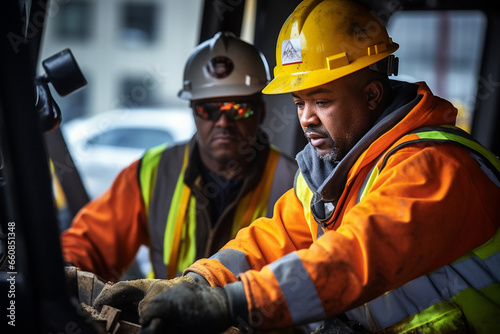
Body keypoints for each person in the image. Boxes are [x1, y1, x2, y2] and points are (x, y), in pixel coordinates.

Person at [93, 1, 500, 333]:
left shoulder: (438, 168)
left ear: (373, 94)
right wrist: (198, 283)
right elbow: (271, 240)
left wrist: (236, 302)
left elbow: (354, 256)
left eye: (322, 101)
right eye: (299, 103)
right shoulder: (330, 171)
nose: (306, 118)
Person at [61, 31, 298, 282]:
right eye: (208, 109)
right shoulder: (154, 171)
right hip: (163, 318)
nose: (223, 122)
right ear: (193, 112)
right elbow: (91, 243)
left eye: (238, 108)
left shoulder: (293, 184)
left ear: (260, 112)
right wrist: (62, 270)